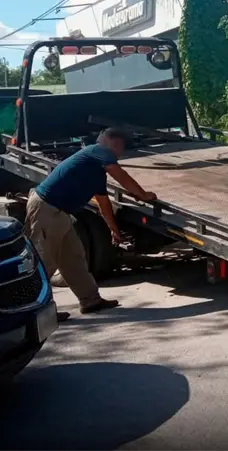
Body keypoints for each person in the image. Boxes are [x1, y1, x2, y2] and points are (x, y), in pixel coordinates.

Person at [25, 128, 157, 322]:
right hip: (47, 209)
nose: (121, 151)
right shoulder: (99, 150)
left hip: (59, 213)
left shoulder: (95, 171)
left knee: (73, 258)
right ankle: (31, 312)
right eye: (121, 146)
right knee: (45, 262)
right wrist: (143, 195)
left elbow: (104, 204)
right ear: (113, 142)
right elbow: (120, 175)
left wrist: (114, 231)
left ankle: (91, 301)